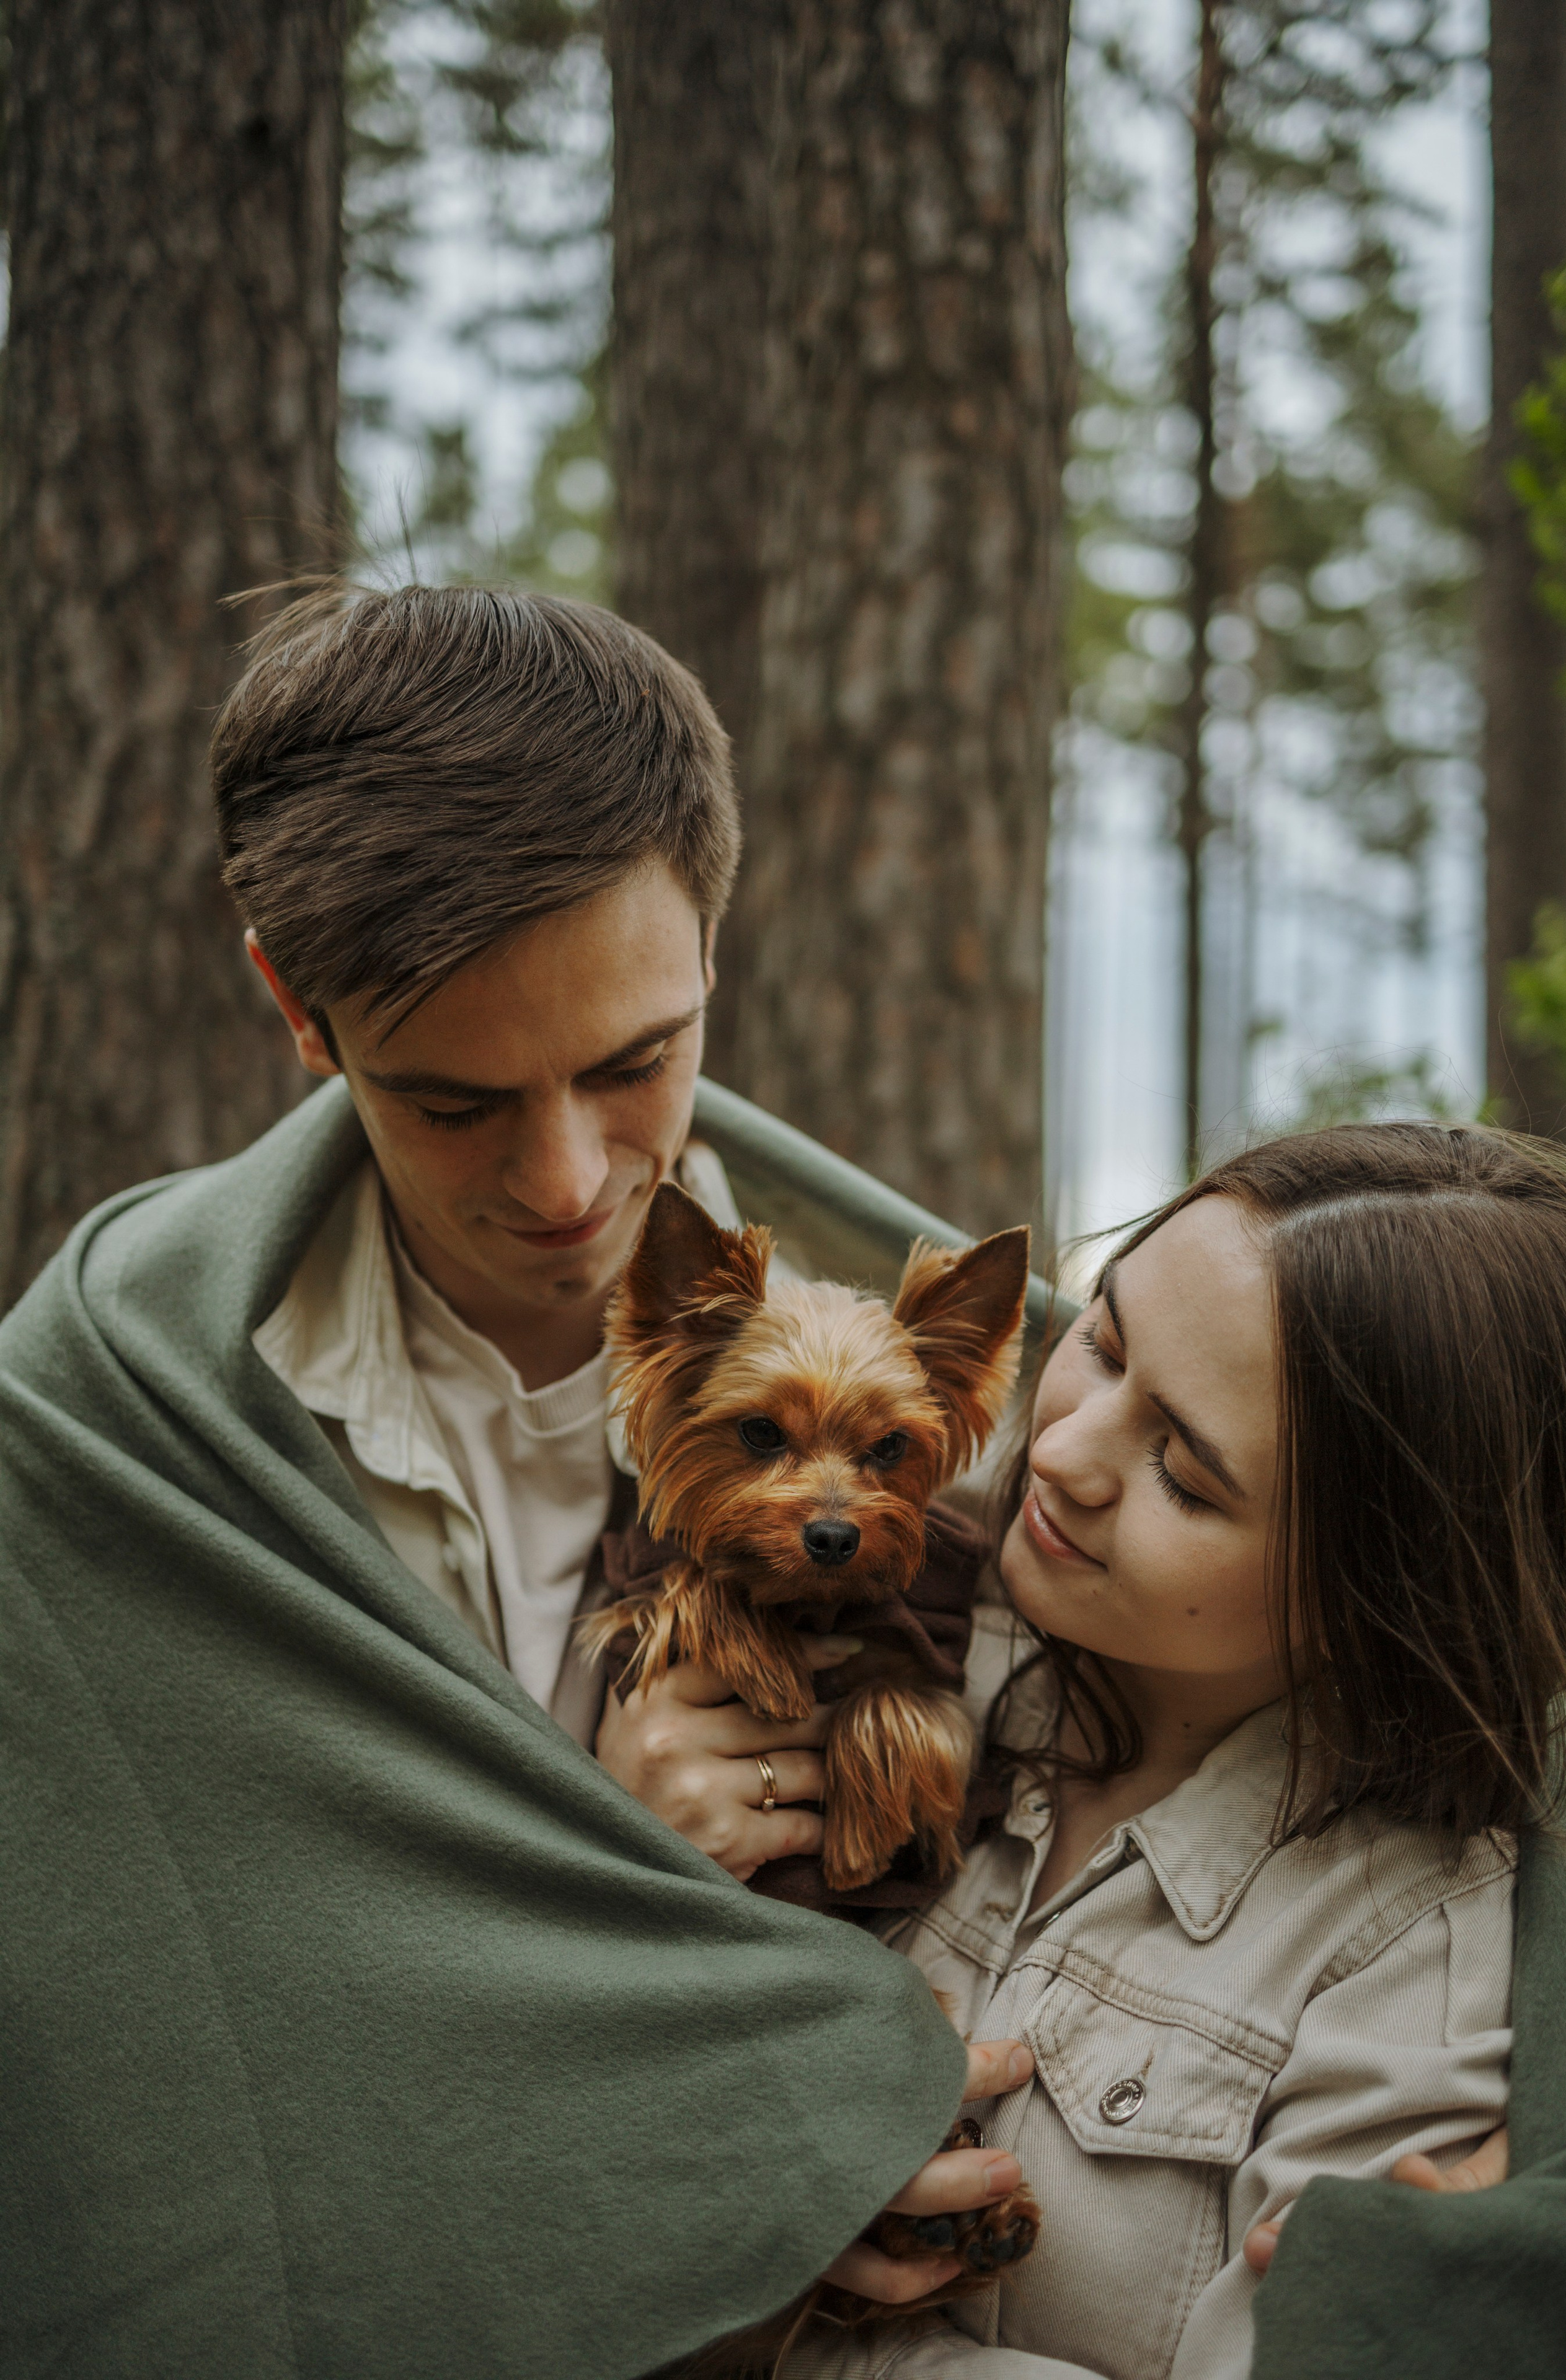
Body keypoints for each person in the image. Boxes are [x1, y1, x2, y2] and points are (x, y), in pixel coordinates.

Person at [0, 583, 1018, 2380]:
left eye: (633, 1066)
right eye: (451, 1099)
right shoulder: (95, 1421)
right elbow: (131, 2062)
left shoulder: (979, 1381)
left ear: (713, 932)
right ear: (293, 1007)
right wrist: (617, 1881)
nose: (563, 1183)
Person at [684, 1121, 1566, 2379]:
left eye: (1180, 1469)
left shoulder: (1401, 1960)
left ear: (1374, 1584)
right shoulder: (877, 1631)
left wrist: (778, 2330)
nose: (1054, 1451)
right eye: (1100, 1341)